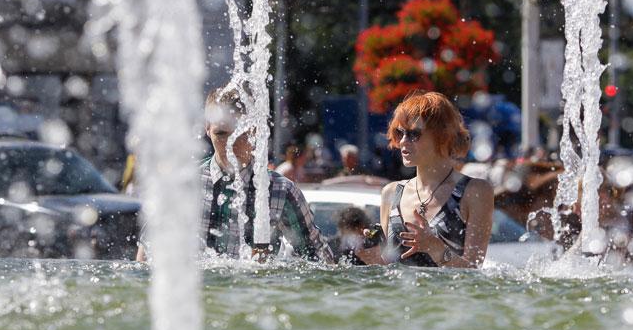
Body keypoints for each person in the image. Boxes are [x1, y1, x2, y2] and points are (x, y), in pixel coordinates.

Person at [137, 88, 333, 262]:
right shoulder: (183, 186)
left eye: (240, 134)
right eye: (222, 134)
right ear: (207, 128)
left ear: (255, 130)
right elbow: (147, 253)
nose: (231, 145)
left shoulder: (281, 191)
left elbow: (318, 262)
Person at [357, 91, 494, 268]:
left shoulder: (475, 191)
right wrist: (374, 259)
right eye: (400, 133)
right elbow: (390, 272)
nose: (404, 142)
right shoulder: (391, 193)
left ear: (443, 137)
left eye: (414, 134)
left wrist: (436, 249)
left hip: (449, 295)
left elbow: (474, 271)